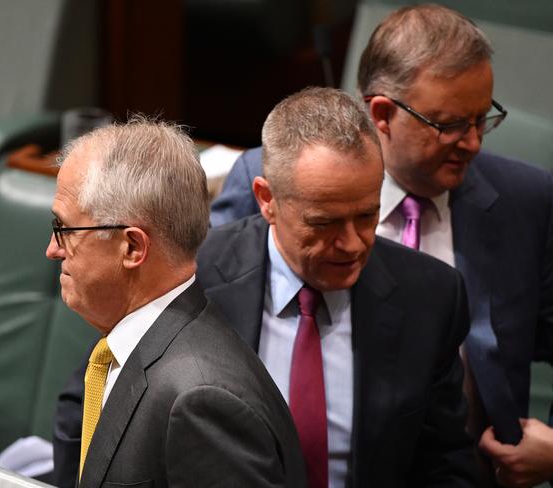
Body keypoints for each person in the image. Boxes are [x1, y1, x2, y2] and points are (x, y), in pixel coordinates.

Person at [210, 5, 553, 486]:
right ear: (383, 114)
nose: (473, 142)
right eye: (451, 123)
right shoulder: (270, 179)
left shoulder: (527, 201)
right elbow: (208, 300)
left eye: (483, 119)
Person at [199, 87, 477, 486]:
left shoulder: (431, 299)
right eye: (324, 222)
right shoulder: (193, 277)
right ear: (267, 199)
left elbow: (445, 464)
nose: (352, 243)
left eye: (366, 215)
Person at [47, 118, 306, 488]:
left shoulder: (201, 402)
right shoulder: (141, 346)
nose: (53, 249)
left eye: (64, 229)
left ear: (133, 247)